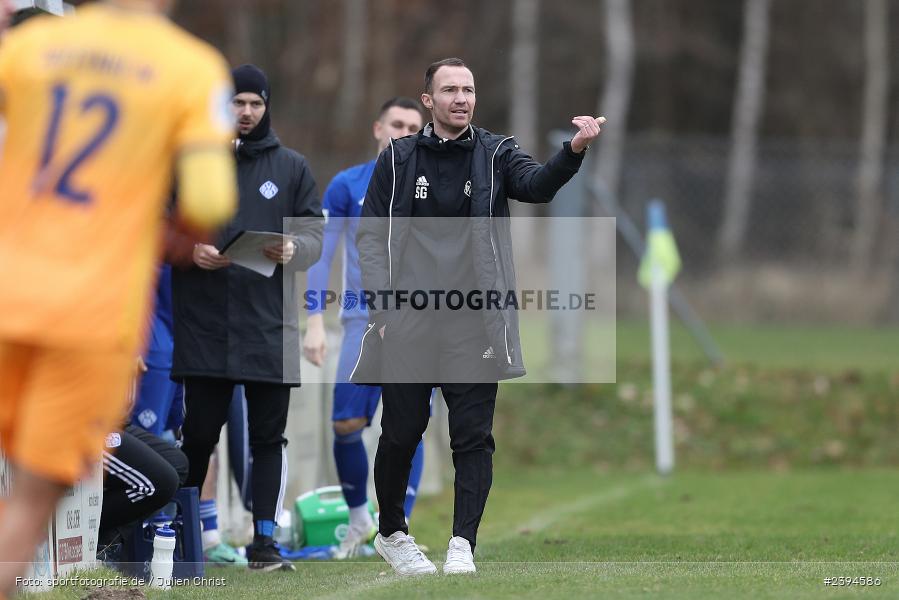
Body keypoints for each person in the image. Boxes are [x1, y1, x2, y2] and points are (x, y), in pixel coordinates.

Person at [0, 0, 237, 594]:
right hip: (91, 309)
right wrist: (182, 231)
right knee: (29, 501)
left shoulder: (30, 48)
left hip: (10, 285)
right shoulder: (191, 67)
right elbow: (209, 199)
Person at [354, 57, 604, 576]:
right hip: (409, 321)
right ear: (429, 100)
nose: (462, 98)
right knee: (402, 431)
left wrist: (573, 150)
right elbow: (370, 238)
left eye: (468, 89)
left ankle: (462, 544)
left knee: (472, 435)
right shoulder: (398, 160)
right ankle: (393, 534)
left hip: (475, 322)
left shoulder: (496, 154)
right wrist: (383, 309)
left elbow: (537, 186)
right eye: (450, 90)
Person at [172, 64, 323, 572]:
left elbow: (314, 240)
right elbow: (157, 229)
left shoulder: (292, 167)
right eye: (238, 103)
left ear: (267, 107)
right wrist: (189, 252)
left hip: (267, 326)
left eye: (256, 104)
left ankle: (265, 544)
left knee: (267, 438)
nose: (247, 112)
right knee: (198, 435)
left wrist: (293, 248)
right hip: (205, 325)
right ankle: (183, 542)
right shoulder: (193, 163)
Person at [303, 97, 425, 559]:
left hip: (419, 324)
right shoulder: (347, 184)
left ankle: (400, 529)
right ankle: (358, 520)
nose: (405, 132)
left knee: (411, 424)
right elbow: (323, 253)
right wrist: (315, 319)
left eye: (414, 127)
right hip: (361, 319)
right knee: (346, 422)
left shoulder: (431, 184)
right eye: (397, 124)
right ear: (378, 128)